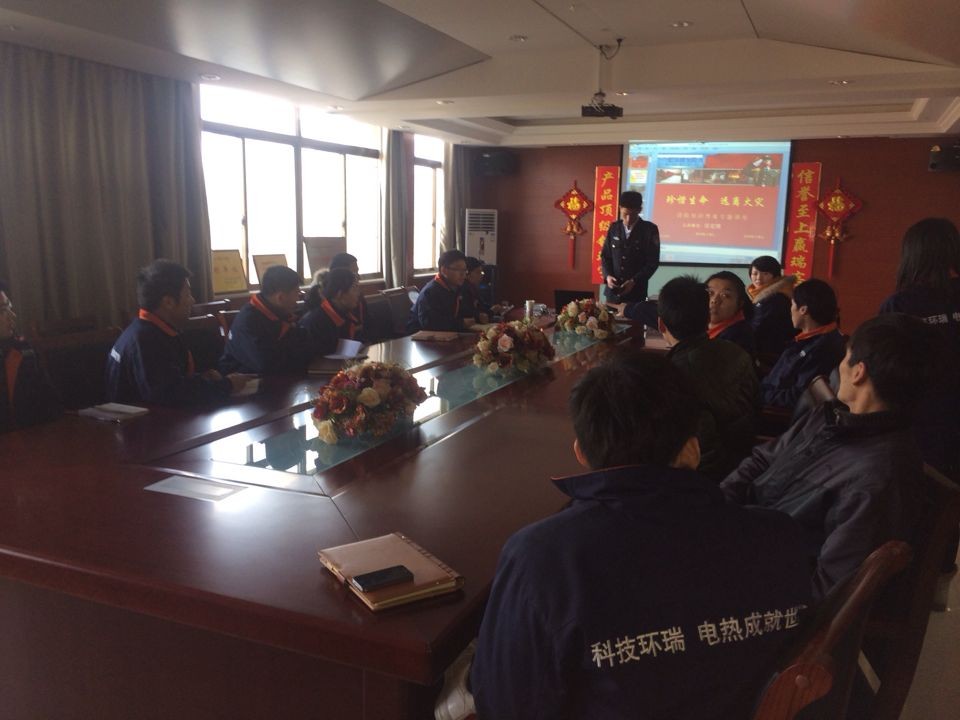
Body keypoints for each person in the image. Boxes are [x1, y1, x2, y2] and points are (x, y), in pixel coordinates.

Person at [470, 351, 811, 720]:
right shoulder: (780, 536)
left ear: (581, 453)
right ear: (692, 450)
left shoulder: (541, 557)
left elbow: (502, 704)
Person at [721, 313, 941, 600]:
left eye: (845, 357)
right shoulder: (831, 417)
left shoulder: (877, 477)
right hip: (740, 535)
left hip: (761, 583)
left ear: (858, 372)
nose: (839, 366)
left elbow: (827, 591)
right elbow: (762, 459)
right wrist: (718, 504)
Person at [879, 217, 960, 598]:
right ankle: (939, 577)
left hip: (916, 424)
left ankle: (901, 582)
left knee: (910, 499)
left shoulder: (901, 304)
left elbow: (882, 369)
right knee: (950, 499)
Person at [107, 260, 250, 406]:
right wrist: (227, 385)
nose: (192, 301)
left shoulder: (156, 329)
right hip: (145, 418)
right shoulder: (144, 340)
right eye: (188, 295)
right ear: (168, 302)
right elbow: (170, 394)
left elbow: (172, 379)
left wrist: (202, 378)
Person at [656, 276, 759, 480]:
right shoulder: (736, 353)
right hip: (745, 465)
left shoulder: (671, 376)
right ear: (707, 318)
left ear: (661, 325)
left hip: (701, 481)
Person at [760, 278, 846, 410]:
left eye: (792, 304)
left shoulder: (822, 349)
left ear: (803, 310)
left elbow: (797, 397)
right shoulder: (810, 338)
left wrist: (759, 396)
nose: (790, 310)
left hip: (771, 411)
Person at [219, 265, 311, 374]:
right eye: (296, 293)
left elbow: (307, 345)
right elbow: (266, 364)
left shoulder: (281, 313)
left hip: (277, 376)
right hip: (245, 379)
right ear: (280, 297)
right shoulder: (248, 321)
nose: (298, 298)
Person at [0, 281, 60, 431]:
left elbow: (51, 408)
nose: (12, 316)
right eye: (2, 311)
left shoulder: (24, 353)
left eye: (10, 308)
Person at [600, 190, 660, 303]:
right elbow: (605, 256)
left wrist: (634, 281)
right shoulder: (614, 228)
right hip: (613, 292)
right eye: (625, 214)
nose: (628, 219)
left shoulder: (649, 230)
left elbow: (652, 262)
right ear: (620, 208)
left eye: (632, 215)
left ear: (639, 210)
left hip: (636, 293)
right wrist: (608, 276)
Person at [299, 267, 362, 356]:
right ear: (339, 294)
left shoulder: (346, 314)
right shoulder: (316, 322)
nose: (358, 293)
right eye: (354, 288)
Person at [407, 249, 468, 333]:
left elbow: (465, 311)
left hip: (447, 334)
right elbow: (430, 324)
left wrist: (477, 316)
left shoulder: (457, 288)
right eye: (458, 269)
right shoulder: (430, 291)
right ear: (444, 270)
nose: (463, 274)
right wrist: (461, 323)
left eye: (464, 270)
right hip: (420, 336)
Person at [747, 255, 796, 358]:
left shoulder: (776, 297)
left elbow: (758, 328)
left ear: (775, 275)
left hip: (770, 353)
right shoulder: (762, 295)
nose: (758, 278)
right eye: (755, 273)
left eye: (765, 274)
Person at [706, 270, 757, 357]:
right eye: (710, 293)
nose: (714, 300)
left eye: (725, 296)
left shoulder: (737, 338)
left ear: (740, 303)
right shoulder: (696, 325)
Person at [461, 257, 492, 324]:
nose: (481, 275)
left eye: (482, 272)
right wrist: (480, 315)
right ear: (467, 274)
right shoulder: (462, 289)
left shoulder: (474, 288)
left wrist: (492, 310)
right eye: (478, 272)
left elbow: (481, 306)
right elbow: (467, 312)